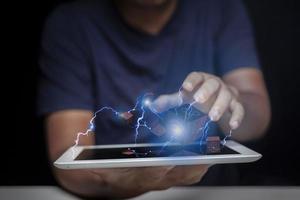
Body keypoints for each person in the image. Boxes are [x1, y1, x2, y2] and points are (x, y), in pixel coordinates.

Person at [38, 0, 271, 198]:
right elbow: (68, 159)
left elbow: (256, 120)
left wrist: (230, 100)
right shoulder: (72, 23)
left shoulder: (222, 8)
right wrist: (126, 183)